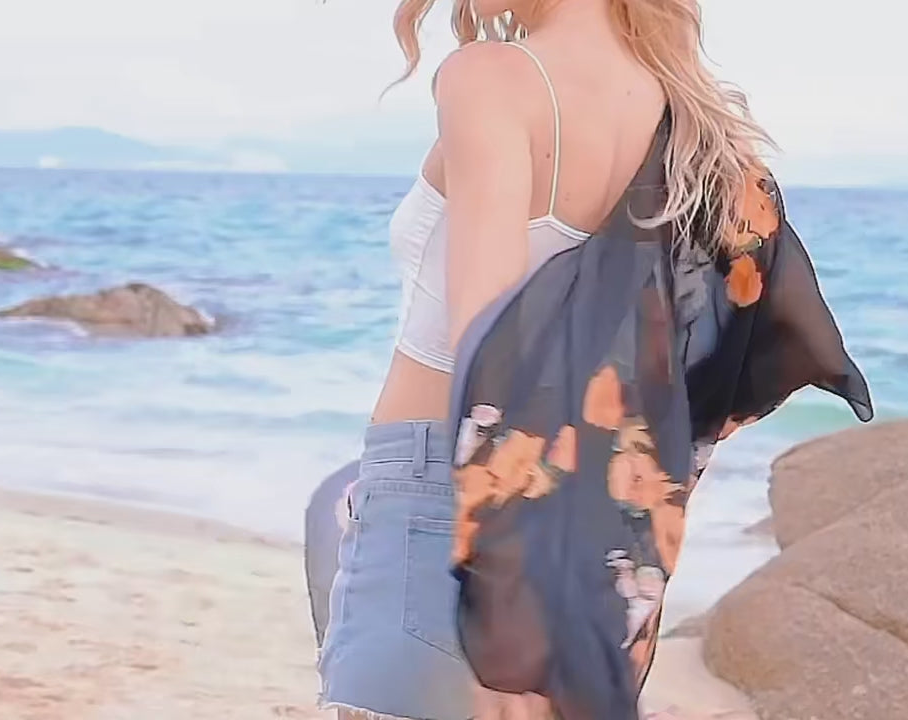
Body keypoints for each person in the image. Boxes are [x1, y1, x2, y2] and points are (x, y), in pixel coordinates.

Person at [310, 1, 872, 719]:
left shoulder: (493, 78)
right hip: (589, 531)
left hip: (457, 502)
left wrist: (506, 609)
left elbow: (492, 350)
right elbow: (715, 383)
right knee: (328, 512)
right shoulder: (692, 123)